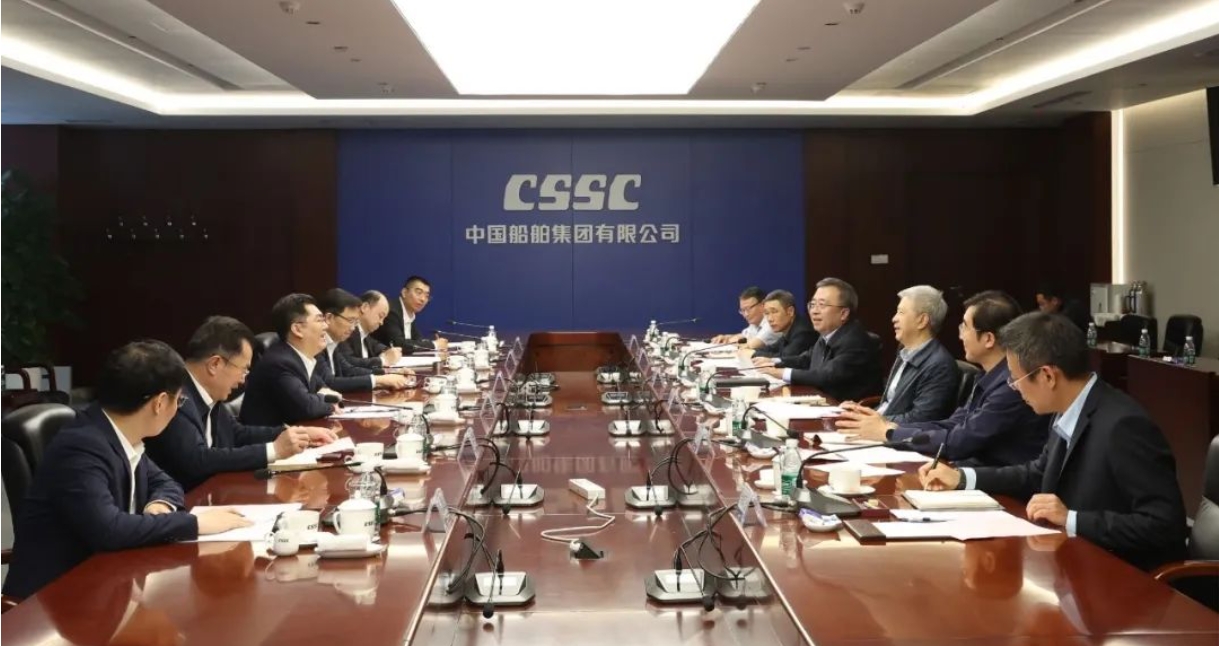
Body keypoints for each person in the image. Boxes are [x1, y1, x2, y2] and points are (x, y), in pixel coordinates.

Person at [919, 312, 1187, 571]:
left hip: (1125, 577)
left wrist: (1072, 519)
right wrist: (962, 478)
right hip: (1074, 562)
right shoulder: (1067, 408)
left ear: (1048, 376)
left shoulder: (1123, 426)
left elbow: (1165, 525)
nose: (1014, 387)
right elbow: (1037, 473)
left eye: (1016, 378)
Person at [3, 341, 252, 599]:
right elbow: (109, 529)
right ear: (159, 403)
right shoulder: (81, 447)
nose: (178, 408)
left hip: (109, 582)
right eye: (179, 400)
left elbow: (165, 482)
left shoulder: (119, 432)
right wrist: (194, 523)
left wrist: (160, 504)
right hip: (53, 600)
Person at [838, 291, 1049, 467]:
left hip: (996, 485)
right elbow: (955, 423)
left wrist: (890, 433)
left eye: (964, 327)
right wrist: (888, 425)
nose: (960, 335)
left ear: (988, 339)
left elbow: (960, 441)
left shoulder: (1011, 385)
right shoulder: (988, 375)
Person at [145, 316, 339, 491]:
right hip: (187, 502)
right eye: (243, 369)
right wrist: (274, 450)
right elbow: (197, 460)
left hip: (217, 493)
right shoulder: (176, 396)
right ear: (214, 364)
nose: (243, 380)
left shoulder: (208, 392)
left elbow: (237, 433)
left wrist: (296, 434)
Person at [840, 285, 959, 424]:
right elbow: (890, 404)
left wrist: (871, 420)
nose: (894, 319)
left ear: (922, 320)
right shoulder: (904, 351)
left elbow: (920, 419)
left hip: (894, 434)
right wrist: (861, 411)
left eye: (901, 312)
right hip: (880, 427)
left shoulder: (940, 366)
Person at [754, 277, 881, 402]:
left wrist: (782, 373)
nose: (814, 311)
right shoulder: (828, 334)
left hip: (845, 409)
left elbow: (826, 375)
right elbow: (805, 359)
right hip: (823, 402)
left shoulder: (855, 341)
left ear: (843, 313)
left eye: (822, 305)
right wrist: (773, 362)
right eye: (813, 304)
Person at [240, 294, 341, 426]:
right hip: (269, 437)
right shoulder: (280, 363)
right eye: (319, 320)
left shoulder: (302, 357)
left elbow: (324, 389)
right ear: (297, 329)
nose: (326, 326)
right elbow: (306, 407)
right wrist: (328, 402)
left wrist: (321, 397)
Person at [316, 288, 411, 393]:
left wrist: (390, 373)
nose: (353, 328)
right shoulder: (315, 344)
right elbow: (330, 383)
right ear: (329, 318)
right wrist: (379, 380)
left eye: (355, 322)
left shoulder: (332, 343)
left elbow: (349, 370)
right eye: (350, 320)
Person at [374, 275, 448, 354]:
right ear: (404, 292)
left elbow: (417, 341)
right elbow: (398, 344)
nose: (423, 299)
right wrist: (434, 344)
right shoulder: (391, 311)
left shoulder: (409, 313)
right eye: (419, 293)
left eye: (426, 296)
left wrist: (430, 343)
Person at [338, 290, 402, 371]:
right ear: (365, 307)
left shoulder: (365, 334)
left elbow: (375, 345)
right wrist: (383, 360)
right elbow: (348, 362)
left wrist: (388, 351)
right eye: (380, 316)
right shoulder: (347, 331)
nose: (381, 322)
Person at [749, 290, 818, 359]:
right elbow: (772, 348)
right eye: (767, 313)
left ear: (790, 311)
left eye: (774, 312)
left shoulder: (803, 333)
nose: (770, 319)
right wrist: (753, 352)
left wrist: (753, 353)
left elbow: (784, 358)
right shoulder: (788, 330)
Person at [711, 286, 782, 348]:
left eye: (748, 309)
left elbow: (752, 345)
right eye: (742, 310)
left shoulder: (772, 322)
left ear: (763, 304)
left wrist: (730, 341)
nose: (746, 314)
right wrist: (726, 337)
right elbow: (744, 336)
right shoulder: (755, 324)